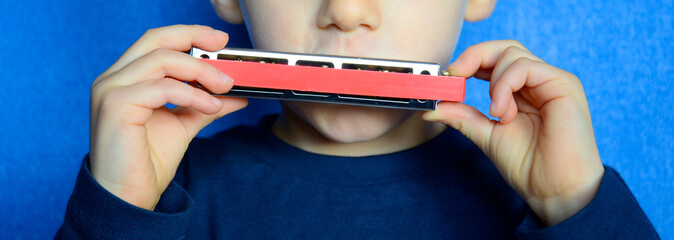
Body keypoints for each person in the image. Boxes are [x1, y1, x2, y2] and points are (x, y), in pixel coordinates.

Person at [56, 0, 659, 239]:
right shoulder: (164, 198)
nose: (345, 12)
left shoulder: (538, 201)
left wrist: (577, 205)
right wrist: (118, 212)